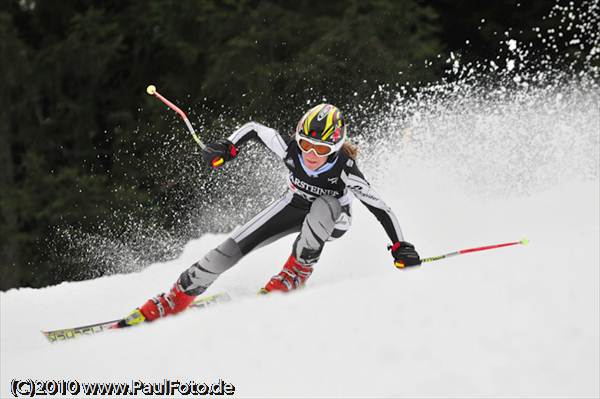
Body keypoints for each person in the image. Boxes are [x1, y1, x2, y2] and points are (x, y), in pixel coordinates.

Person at [121, 104, 421, 326]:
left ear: (336, 146)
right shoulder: (290, 150)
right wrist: (229, 147)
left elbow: (379, 207)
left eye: (322, 148)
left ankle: (296, 272)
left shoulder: (345, 168)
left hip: (332, 216)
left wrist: (400, 245)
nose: (312, 155)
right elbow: (254, 128)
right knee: (229, 249)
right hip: (293, 205)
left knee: (322, 204)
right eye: (306, 144)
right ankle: (177, 296)